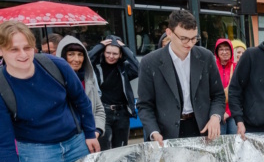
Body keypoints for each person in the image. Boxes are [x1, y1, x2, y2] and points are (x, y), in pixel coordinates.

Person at [0, 20, 100, 162]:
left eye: (27, 48)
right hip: (36, 152)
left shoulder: (56, 65)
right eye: (14, 50)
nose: (23, 55)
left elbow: (81, 100)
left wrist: (89, 132)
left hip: (75, 143)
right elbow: (1, 142)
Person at [137, 9, 225, 145]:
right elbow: (145, 105)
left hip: (202, 129)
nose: (189, 44)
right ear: (169, 33)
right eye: (184, 38)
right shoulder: (150, 62)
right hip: (166, 133)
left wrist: (215, 117)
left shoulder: (206, 57)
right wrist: (153, 131)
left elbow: (218, 95)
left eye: (194, 38)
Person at [90, 36, 138, 150]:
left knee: (121, 150)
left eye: (115, 54)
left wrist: (124, 48)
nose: (111, 56)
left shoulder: (124, 68)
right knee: (103, 150)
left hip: (122, 113)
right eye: (108, 52)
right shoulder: (96, 67)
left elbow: (138, 68)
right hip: (103, 113)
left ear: (120, 55)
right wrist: (99, 46)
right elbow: (86, 59)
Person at [55, 36, 106, 142]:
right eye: (71, 54)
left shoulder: (88, 81)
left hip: (90, 139)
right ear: (62, 56)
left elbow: (99, 110)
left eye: (80, 55)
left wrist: (95, 132)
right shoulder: (54, 82)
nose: (77, 59)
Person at [211, 38, 238, 134]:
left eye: (227, 49)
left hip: (233, 113)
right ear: (216, 52)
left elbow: (240, 91)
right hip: (216, 114)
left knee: (235, 143)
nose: (224, 52)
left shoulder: (237, 67)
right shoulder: (211, 67)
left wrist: (228, 112)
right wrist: (218, 113)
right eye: (221, 49)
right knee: (219, 143)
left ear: (231, 51)